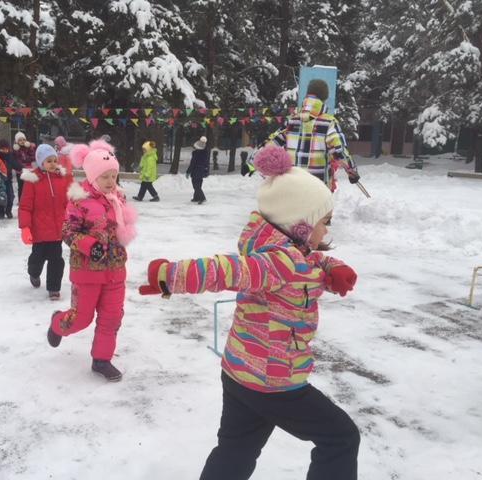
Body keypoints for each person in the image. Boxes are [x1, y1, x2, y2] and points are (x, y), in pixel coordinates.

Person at [139, 144, 360, 480]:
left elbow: (311, 263)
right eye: (324, 222)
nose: (327, 230)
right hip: (273, 380)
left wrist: (333, 268)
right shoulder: (280, 262)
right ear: (301, 225)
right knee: (341, 437)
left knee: (236, 450)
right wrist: (169, 275)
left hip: (241, 372)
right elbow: (225, 271)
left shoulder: (282, 251)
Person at [47, 139, 138, 381]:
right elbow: (67, 231)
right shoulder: (80, 200)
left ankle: (101, 360)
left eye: (113, 176)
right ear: (92, 176)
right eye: (105, 177)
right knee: (81, 319)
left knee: (112, 318)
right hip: (88, 273)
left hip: (115, 271)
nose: (111, 182)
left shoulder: (118, 199)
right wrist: (90, 246)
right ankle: (58, 323)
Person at [268, 78, 360, 191]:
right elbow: (339, 151)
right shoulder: (329, 123)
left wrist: (251, 163)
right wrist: (352, 171)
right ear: (324, 97)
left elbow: (272, 143)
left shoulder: (291, 121)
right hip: (318, 188)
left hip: (291, 186)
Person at [18, 144, 71, 300]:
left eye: (55, 160)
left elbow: (70, 201)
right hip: (39, 231)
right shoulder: (33, 180)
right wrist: (25, 227)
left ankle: (54, 288)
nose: (53, 163)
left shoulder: (62, 179)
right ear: (41, 162)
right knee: (37, 258)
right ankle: (34, 273)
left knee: (56, 260)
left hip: (57, 230)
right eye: (49, 160)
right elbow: (25, 206)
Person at [0, 138, 23, 219]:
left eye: (6, 149)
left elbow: (16, 164)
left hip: (8, 180)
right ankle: (1, 211)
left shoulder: (10, 156)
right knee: (0, 197)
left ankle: (8, 211)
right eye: (2, 149)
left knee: (10, 196)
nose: (5, 151)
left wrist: (22, 168)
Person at [12, 131, 37, 201]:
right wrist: (22, 163)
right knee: (21, 187)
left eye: (23, 140)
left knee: (29, 186)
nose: (22, 141)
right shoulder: (15, 150)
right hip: (20, 171)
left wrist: (31, 148)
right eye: (20, 140)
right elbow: (16, 160)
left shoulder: (28, 148)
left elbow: (33, 157)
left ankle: (29, 199)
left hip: (28, 169)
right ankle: (21, 200)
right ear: (17, 142)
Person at [186, 135, 210, 204]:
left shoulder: (196, 153)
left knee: (195, 185)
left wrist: (188, 171)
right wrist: (206, 170)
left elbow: (192, 163)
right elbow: (206, 162)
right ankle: (196, 197)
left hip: (196, 170)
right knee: (198, 184)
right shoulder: (205, 151)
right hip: (201, 170)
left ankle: (202, 198)